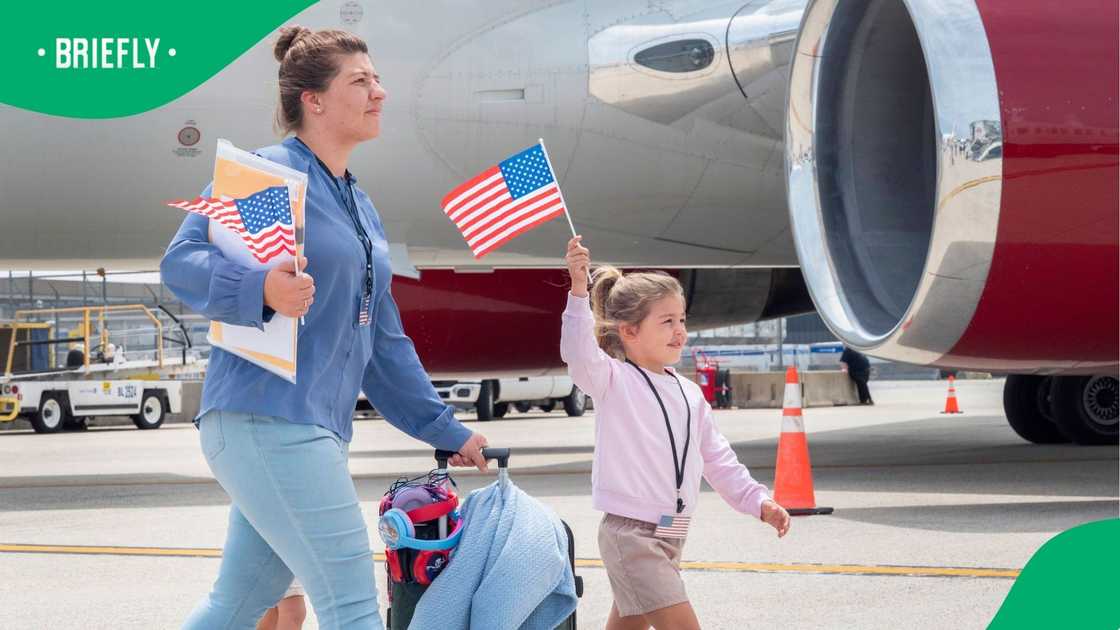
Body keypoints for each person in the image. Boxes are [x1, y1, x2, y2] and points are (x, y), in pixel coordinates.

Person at [161, 26, 489, 630]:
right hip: (267, 420)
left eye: (377, 79)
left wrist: (447, 430)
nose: (380, 93)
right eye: (360, 82)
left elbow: (384, 342)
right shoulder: (271, 178)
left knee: (234, 607)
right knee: (353, 606)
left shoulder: (356, 205)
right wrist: (262, 288)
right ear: (312, 100)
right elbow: (182, 263)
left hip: (307, 430)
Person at [560, 236, 791, 630]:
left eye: (681, 319)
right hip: (631, 535)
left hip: (673, 530)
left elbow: (717, 458)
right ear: (629, 332)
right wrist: (578, 292)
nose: (679, 331)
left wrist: (758, 501)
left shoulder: (688, 392)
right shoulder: (613, 379)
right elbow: (579, 354)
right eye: (666, 322)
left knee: (628, 625)